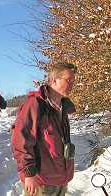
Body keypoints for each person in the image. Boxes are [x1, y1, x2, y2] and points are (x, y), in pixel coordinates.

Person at [11, 62, 77, 196]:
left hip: (60, 179)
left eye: (73, 81)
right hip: (41, 182)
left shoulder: (62, 107)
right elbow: (21, 142)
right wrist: (29, 174)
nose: (72, 85)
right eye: (68, 80)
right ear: (54, 80)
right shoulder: (35, 104)